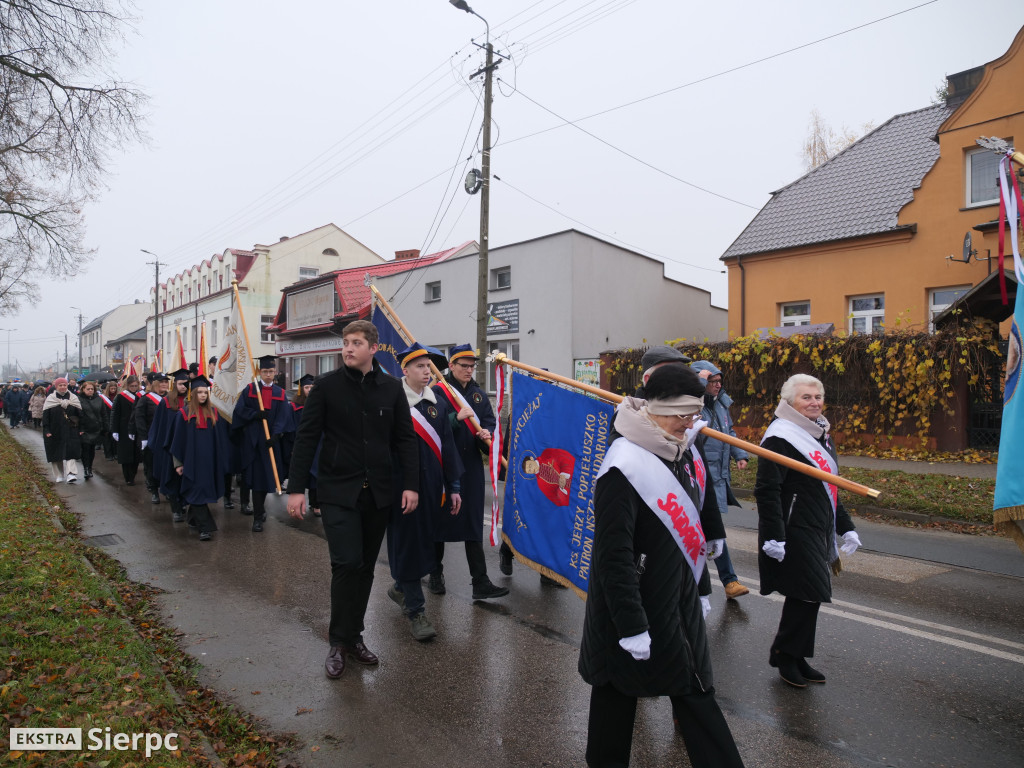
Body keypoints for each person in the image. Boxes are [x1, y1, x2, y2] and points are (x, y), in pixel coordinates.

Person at [578, 364, 743, 768]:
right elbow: (613, 555)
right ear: (654, 410)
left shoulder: (677, 446)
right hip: (630, 604)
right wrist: (631, 624)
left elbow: (693, 509)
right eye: (681, 416)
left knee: (695, 689)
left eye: (693, 417)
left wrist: (702, 578)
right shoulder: (624, 466)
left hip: (676, 597)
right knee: (615, 696)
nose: (688, 425)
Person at [285, 319, 419, 679]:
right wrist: (296, 489)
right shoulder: (326, 388)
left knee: (363, 568)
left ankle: (354, 636)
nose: (348, 348)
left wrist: (411, 485)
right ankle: (338, 642)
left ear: (373, 348)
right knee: (345, 563)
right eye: (345, 342)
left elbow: (404, 440)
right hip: (337, 492)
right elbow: (306, 439)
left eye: (356, 342)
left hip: (378, 494)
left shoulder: (391, 390)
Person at [756, 373, 861, 688]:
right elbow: (767, 490)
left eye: (817, 397)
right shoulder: (780, 437)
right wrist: (775, 534)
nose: (814, 402)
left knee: (809, 595)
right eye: (806, 397)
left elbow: (831, 487)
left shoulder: (820, 433)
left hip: (818, 525)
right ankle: (785, 656)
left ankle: (795, 655)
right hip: (793, 528)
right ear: (789, 402)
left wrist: (846, 528)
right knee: (806, 592)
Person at [386, 344, 464, 641]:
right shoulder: (394, 402)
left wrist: (453, 487)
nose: (427, 372)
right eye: (420, 366)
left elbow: (447, 445)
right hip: (402, 487)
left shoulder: (438, 404)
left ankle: (400, 587)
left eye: (429, 367)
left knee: (427, 544)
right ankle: (416, 611)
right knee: (408, 544)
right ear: (404, 371)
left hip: (433, 487)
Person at [430, 344, 508, 600]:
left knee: (473, 523)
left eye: (472, 365)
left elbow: (488, 421)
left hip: (471, 467)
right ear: (451, 366)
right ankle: (434, 573)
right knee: (440, 521)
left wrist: (484, 435)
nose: (468, 370)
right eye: (463, 365)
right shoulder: (439, 391)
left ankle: (480, 581)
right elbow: (431, 424)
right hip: (445, 465)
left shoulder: (478, 394)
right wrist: (456, 419)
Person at [690, 360, 751, 600]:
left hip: (717, 477)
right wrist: (699, 383)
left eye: (718, 381)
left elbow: (729, 433)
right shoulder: (694, 405)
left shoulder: (721, 405)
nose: (717, 385)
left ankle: (724, 581)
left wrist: (740, 454)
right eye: (711, 381)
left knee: (711, 530)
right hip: (699, 477)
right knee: (712, 531)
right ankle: (729, 580)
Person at [231, 355, 293, 532]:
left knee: (267, 479)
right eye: (265, 371)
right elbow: (240, 411)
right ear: (259, 372)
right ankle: (257, 516)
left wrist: (277, 435)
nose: (268, 374)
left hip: (270, 443)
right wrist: (254, 415)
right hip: (253, 442)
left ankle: (260, 510)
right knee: (256, 479)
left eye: (271, 371)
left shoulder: (280, 393)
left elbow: (283, 416)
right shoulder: (250, 390)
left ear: (275, 372)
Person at [170, 376, 232, 541]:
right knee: (197, 491)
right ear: (193, 393)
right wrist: (178, 464)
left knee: (201, 491)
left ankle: (192, 519)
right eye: (200, 392)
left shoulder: (214, 413)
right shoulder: (184, 414)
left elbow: (221, 440)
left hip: (210, 462)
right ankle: (205, 528)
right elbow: (177, 441)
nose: (203, 395)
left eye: (206, 392)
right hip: (191, 462)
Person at [42, 378, 83, 484]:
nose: (63, 387)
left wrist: (81, 428)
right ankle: (59, 474)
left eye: (64, 385)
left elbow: (80, 415)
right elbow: (46, 416)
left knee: (71, 451)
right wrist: (46, 430)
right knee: (56, 453)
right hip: (54, 430)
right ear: (56, 387)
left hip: (70, 429)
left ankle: (71, 473)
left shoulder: (74, 398)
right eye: (60, 385)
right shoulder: (50, 399)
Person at [136, 372, 169, 504]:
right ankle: (154, 490)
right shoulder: (145, 399)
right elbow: (139, 419)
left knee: (166, 466)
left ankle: (167, 490)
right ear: (154, 383)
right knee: (151, 466)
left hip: (167, 438)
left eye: (166, 382)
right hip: (151, 438)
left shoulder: (170, 398)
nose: (164, 384)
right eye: (161, 382)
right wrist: (143, 438)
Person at [112, 375, 141, 485]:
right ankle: (128, 477)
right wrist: (114, 430)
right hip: (123, 428)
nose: (134, 388)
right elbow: (116, 414)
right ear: (127, 386)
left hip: (137, 428)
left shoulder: (141, 396)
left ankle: (133, 475)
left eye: (135, 386)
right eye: (132, 386)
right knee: (126, 454)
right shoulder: (120, 397)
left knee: (136, 454)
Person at [77, 380, 107, 480]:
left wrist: (105, 427)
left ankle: (89, 467)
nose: (90, 391)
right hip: (84, 428)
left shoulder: (99, 399)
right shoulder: (78, 399)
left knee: (91, 449)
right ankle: (85, 468)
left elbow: (103, 414)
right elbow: (76, 414)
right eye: (88, 389)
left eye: (92, 389)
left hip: (96, 428)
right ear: (83, 389)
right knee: (85, 449)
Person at [100, 381, 119, 460]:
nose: (113, 390)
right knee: (107, 438)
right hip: (106, 419)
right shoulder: (103, 398)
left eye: (114, 388)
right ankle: (108, 454)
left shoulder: (118, 397)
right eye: (111, 388)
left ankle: (115, 453)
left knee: (114, 438)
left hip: (115, 420)